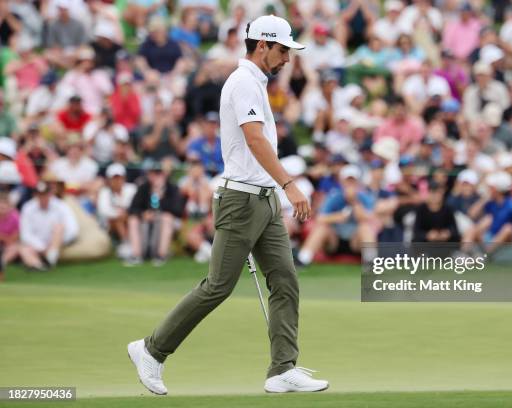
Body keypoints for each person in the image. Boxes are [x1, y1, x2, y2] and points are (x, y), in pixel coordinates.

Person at [127, 15, 328, 395]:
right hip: (241, 199)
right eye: (283, 50)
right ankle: (151, 351)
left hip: (264, 198)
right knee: (217, 286)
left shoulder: (256, 81)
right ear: (263, 45)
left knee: (285, 280)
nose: (288, 58)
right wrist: (290, 185)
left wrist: (277, 189)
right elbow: (254, 139)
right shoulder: (242, 82)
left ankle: (282, 369)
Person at [124, 161, 184, 266]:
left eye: (159, 173)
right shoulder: (143, 188)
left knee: (167, 217)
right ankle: (136, 255)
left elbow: (177, 210)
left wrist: (161, 198)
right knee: (133, 219)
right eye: (153, 173)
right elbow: (132, 209)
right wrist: (143, 214)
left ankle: (161, 255)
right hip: (146, 219)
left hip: (167, 221)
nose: (156, 177)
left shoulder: (172, 188)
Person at [19, 181, 79, 270]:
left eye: (45, 194)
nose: (43, 197)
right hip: (37, 245)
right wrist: (42, 247)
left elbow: (72, 229)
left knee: (58, 228)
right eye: (40, 194)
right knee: (23, 250)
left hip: (57, 243)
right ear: (35, 195)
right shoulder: (28, 208)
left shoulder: (61, 206)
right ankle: (40, 266)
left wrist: (55, 243)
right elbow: (25, 234)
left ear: (50, 194)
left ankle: (50, 260)